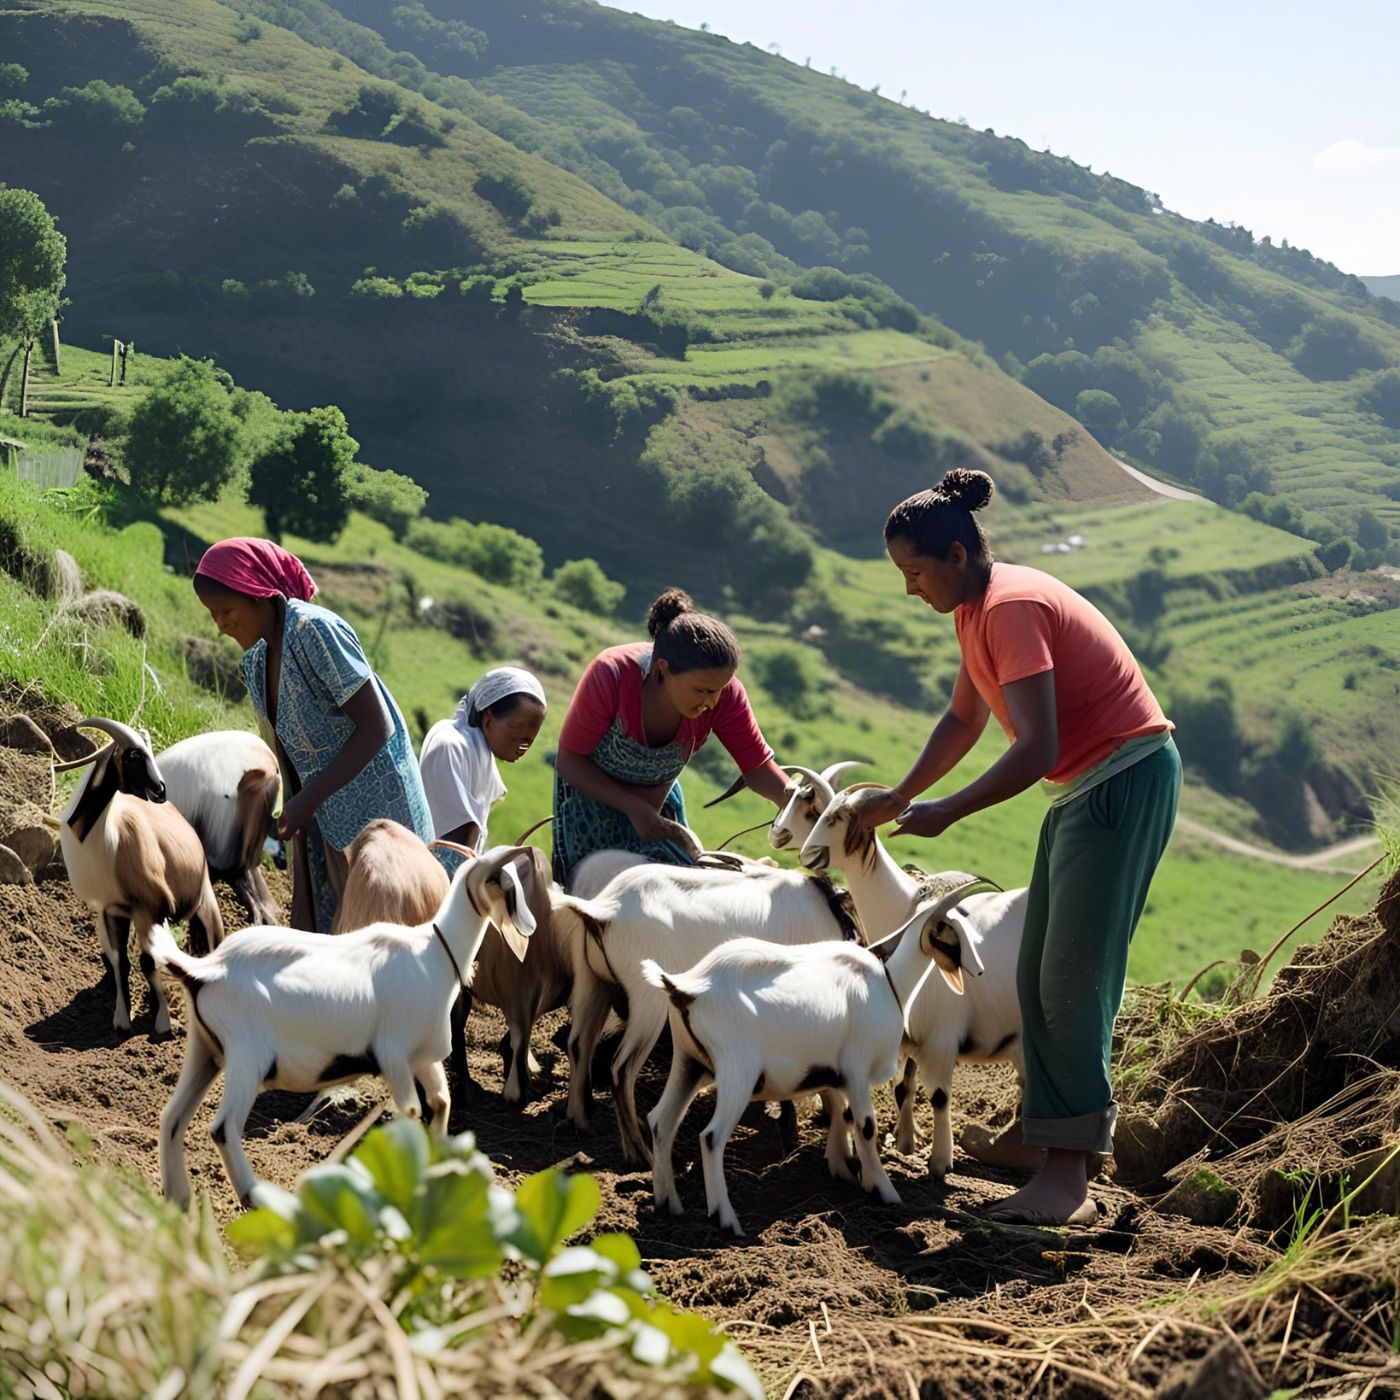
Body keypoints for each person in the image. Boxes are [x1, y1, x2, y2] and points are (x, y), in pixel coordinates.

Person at [850, 468, 1180, 1227]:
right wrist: (898, 797)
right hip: (1086, 789)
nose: (911, 590)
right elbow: (964, 722)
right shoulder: (975, 614)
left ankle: (1067, 1180)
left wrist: (950, 811)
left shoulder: (1011, 608)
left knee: (1072, 981)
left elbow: (1036, 746)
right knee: (1032, 972)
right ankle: (1040, 1141)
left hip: (1121, 781)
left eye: (916, 572)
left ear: (958, 557)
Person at [192, 537, 434, 933]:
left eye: (226, 611)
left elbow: (376, 727)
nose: (221, 625)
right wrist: (290, 813)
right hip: (323, 813)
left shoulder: (314, 632)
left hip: (378, 811)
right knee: (334, 933)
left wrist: (307, 802)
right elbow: (286, 752)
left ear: (260, 595)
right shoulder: (255, 661)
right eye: (212, 615)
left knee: (386, 931)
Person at [552, 587, 793, 888]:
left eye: (720, 689)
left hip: (658, 808)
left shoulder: (723, 694)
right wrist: (635, 809)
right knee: (595, 899)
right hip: (590, 800)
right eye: (703, 691)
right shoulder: (611, 675)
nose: (714, 702)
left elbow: (756, 768)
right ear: (663, 670)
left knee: (679, 894)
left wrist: (796, 800)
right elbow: (569, 760)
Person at [419, 666, 548, 863]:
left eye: (531, 735)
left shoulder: (479, 754)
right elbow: (454, 844)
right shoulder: (449, 746)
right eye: (516, 728)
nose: (525, 743)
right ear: (488, 720)